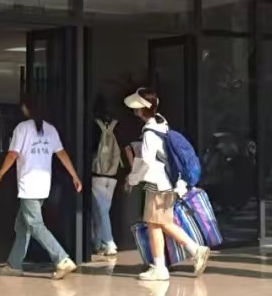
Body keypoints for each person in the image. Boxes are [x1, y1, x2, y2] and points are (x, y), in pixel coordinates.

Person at [124, 88, 210, 282]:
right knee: (159, 223)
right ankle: (168, 262)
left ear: (141, 109)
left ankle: (183, 256)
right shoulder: (161, 123)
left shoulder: (149, 132)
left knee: (155, 224)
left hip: (158, 184)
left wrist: (132, 179)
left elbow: (146, 161)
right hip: (170, 183)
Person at [0, 100, 82, 280]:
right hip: (43, 185)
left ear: (26, 109)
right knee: (22, 226)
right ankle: (14, 265)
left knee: (35, 225)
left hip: (29, 185)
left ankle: (62, 259)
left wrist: (0, 173)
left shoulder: (22, 128)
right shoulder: (51, 129)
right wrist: (74, 176)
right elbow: (61, 153)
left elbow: (12, 154)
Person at [90, 96, 121, 258]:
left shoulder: (94, 126)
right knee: (102, 210)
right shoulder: (116, 126)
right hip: (113, 174)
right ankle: (98, 243)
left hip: (98, 174)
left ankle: (109, 242)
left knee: (101, 211)